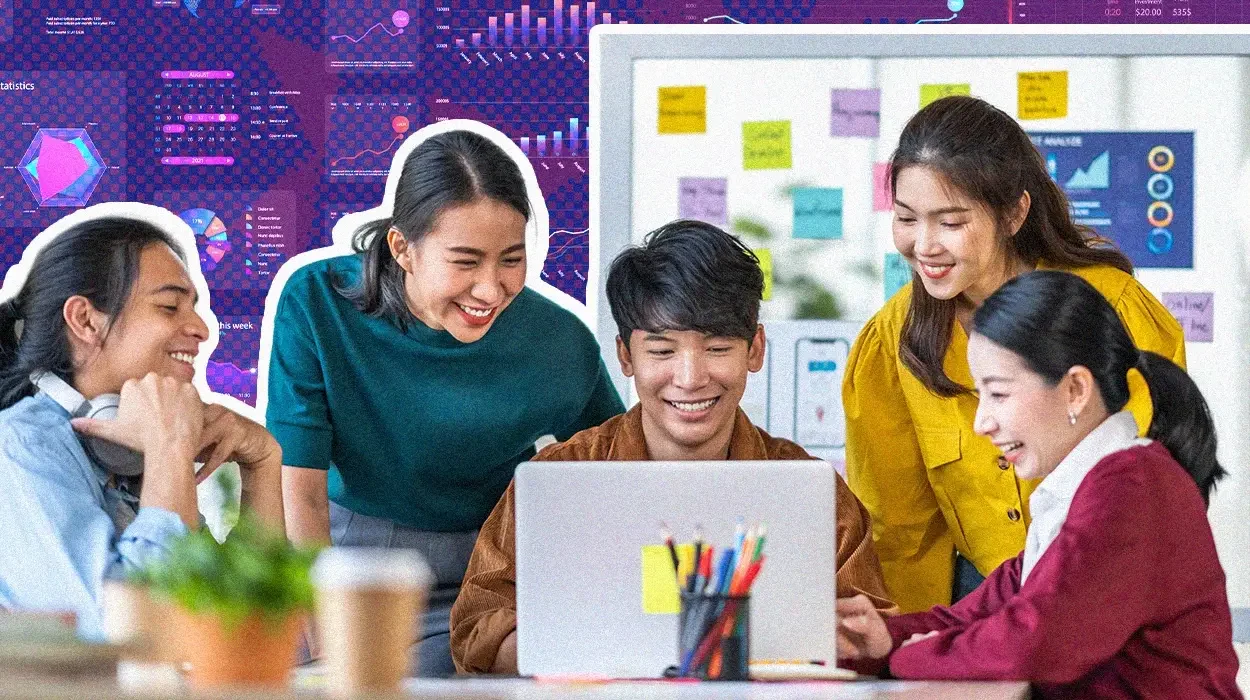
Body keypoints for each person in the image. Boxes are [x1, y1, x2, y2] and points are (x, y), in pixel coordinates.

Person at [449, 219, 896, 675]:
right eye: (662, 351)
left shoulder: (811, 492)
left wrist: (845, 644)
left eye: (718, 348)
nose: (690, 377)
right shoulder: (557, 478)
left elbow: (874, 636)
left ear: (755, 349)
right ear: (625, 356)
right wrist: (574, 651)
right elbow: (476, 630)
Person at [267, 129, 624, 676]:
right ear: (403, 249)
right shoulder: (317, 303)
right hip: (345, 565)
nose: (490, 289)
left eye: (511, 259)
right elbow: (303, 496)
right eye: (465, 261)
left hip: (487, 577)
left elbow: (624, 465)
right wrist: (326, 643)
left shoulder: (557, 341)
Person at [843, 95, 1187, 612]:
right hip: (979, 605)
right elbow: (901, 535)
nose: (924, 245)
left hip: (1111, 595)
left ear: (1014, 213)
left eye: (951, 222)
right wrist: (909, 653)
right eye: (906, 219)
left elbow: (1157, 490)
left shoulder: (1109, 309)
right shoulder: (891, 341)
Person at [836, 270, 1240, 699]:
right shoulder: (1079, 495)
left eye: (998, 394)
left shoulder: (1132, 487)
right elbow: (979, 615)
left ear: (1075, 390)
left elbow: (1033, 642)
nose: (981, 423)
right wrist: (881, 639)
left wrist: (909, 659)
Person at [0, 215, 284, 640]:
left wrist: (262, 465)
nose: (202, 330)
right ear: (86, 320)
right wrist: (171, 448)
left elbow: (244, 635)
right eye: (170, 306)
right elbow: (129, 633)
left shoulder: (133, 449)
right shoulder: (21, 445)